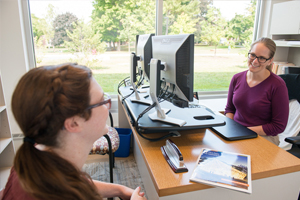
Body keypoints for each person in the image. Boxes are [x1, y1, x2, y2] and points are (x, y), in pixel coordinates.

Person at [1, 63, 147, 200]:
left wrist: (119, 190)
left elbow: (75, 181)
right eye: (102, 101)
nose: (107, 107)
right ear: (74, 123)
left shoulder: (33, 159)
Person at [225, 37, 289, 145]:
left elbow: (278, 126)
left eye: (262, 58)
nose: (255, 61)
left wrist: (244, 131)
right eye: (253, 55)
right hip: (236, 133)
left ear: (270, 61)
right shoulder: (237, 78)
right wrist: (232, 128)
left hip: (263, 136)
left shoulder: (278, 85)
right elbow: (229, 109)